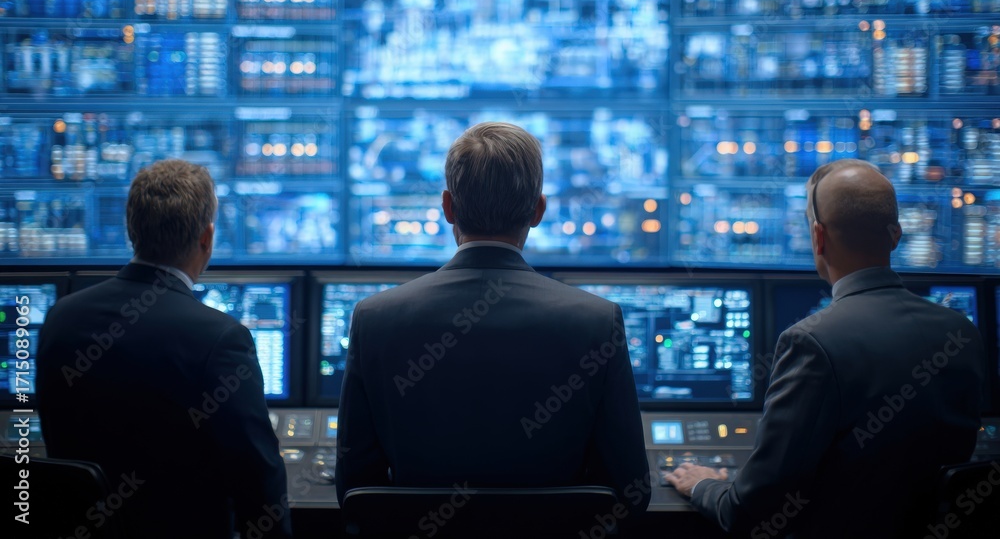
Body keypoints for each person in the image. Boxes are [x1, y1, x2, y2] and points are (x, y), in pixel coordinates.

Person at [335, 122, 651, 518]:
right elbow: (630, 490)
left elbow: (355, 488)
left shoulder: (374, 318)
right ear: (538, 210)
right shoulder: (597, 320)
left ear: (448, 207)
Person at [666, 159, 986, 538]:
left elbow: (750, 510)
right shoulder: (962, 332)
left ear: (818, 237)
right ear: (897, 235)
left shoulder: (812, 342)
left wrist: (702, 484)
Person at [37, 159, 291, 539]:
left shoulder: (60, 318)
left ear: (130, 230)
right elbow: (258, 484)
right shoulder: (220, 338)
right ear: (206, 238)